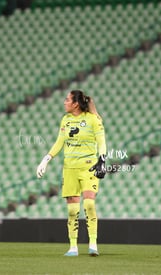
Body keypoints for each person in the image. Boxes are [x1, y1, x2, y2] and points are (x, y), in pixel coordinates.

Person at [36, 90, 106, 257]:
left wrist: (102, 160)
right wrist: (46, 159)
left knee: (89, 205)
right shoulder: (65, 120)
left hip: (89, 167)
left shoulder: (92, 119)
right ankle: (73, 247)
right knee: (72, 210)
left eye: (67, 100)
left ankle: (93, 243)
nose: (64, 102)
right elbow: (59, 142)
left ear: (75, 103)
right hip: (70, 169)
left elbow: (102, 141)